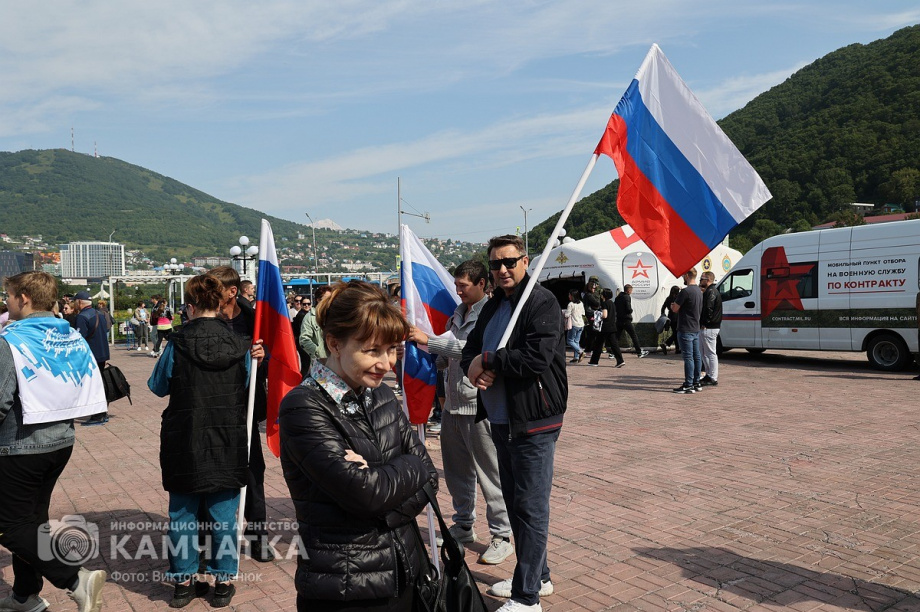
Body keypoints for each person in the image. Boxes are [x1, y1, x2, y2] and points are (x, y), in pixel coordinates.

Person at [279, 280, 438, 612]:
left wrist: (381, 479)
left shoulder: (381, 395)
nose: (387, 363)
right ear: (335, 344)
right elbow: (366, 494)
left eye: (392, 349)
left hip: (404, 571)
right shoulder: (304, 407)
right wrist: (405, 471)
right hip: (345, 586)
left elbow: (430, 476)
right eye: (372, 351)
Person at [461, 234, 567, 611]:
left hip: (534, 420)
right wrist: (474, 366)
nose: (502, 270)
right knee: (517, 503)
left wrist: (488, 361)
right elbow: (471, 350)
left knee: (531, 507)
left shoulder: (541, 301)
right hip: (501, 420)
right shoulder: (492, 307)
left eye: (509, 262)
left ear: (525, 261)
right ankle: (538, 576)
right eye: (495, 264)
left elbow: (535, 358)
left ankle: (527, 599)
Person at [148, 275, 265, 609]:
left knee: (182, 514)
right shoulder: (241, 345)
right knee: (224, 515)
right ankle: (224, 581)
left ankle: (183, 583)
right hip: (227, 437)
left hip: (184, 438)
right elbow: (247, 385)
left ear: (190, 306)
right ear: (219, 303)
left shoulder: (178, 343)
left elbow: (158, 386)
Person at [0, 271, 108, 612]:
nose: (7, 302)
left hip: (20, 445)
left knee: (10, 526)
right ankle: (24, 595)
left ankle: (75, 579)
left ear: (24, 298)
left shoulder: (11, 340)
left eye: (9, 296)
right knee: (32, 523)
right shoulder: (70, 335)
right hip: (61, 442)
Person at [408, 260, 514, 566]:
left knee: (489, 472)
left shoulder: (492, 315)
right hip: (452, 404)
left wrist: (430, 341)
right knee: (457, 472)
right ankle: (464, 524)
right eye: (456, 285)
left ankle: (502, 534)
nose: (458, 291)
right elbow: (450, 357)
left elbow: (473, 351)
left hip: (478, 404)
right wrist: (424, 355)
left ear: (482, 284)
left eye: (463, 286)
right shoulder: (457, 314)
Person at [205, 266, 273, 562]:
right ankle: (208, 541)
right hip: (211, 409)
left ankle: (257, 537)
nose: (208, 295)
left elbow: (272, 355)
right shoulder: (203, 317)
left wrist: (262, 356)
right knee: (211, 476)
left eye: (214, 289)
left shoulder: (253, 320)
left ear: (232, 292)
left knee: (253, 475)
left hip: (245, 409)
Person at [74, 291, 110, 426]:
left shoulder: (82, 317)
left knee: (93, 384)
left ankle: (98, 414)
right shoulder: (99, 314)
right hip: (102, 353)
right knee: (99, 382)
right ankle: (102, 412)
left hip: (91, 355)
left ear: (79, 302)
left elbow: (79, 338)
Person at [671, 268, 703, 394]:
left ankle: (688, 384)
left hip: (685, 327)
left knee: (688, 357)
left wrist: (673, 305)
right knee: (696, 356)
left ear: (687, 276)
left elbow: (675, 309)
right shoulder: (699, 291)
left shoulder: (685, 291)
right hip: (695, 327)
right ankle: (696, 382)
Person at [588, 288, 624, 368]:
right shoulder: (612, 303)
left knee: (598, 344)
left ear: (603, 295)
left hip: (605, 327)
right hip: (612, 326)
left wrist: (597, 314)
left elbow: (604, 315)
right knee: (614, 344)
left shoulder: (604, 304)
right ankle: (620, 360)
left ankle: (594, 361)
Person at [298, 285, 333, 368]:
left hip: (337, 361)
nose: (330, 301)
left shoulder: (335, 315)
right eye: (327, 298)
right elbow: (304, 340)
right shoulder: (310, 317)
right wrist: (318, 352)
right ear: (318, 300)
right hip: (321, 364)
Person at [699, 271, 722, 387]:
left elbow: (708, 309)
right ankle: (709, 374)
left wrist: (705, 322)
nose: (700, 281)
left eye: (701, 279)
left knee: (710, 353)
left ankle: (712, 376)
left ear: (707, 280)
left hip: (710, 327)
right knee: (705, 353)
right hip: (710, 326)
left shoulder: (711, 292)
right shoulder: (711, 291)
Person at [614, 285, 649, 358]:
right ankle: (639, 352)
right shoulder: (627, 297)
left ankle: (613, 353)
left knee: (616, 337)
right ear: (629, 291)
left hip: (619, 319)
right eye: (631, 291)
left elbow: (615, 307)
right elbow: (628, 308)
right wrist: (630, 310)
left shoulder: (617, 298)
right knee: (633, 336)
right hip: (626, 319)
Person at [578, 277, 601, 362]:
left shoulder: (585, 294)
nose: (595, 288)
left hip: (587, 314)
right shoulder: (589, 295)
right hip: (590, 314)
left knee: (588, 332)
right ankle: (587, 350)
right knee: (592, 333)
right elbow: (597, 303)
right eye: (594, 287)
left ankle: (585, 348)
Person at [291, 295, 311, 377]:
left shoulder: (306, 314)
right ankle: (303, 380)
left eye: (308, 304)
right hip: (304, 342)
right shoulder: (302, 315)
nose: (306, 305)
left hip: (303, 342)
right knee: (306, 364)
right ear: (301, 305)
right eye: (304, 304)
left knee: (306, 364)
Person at [564, 289, 586, 363]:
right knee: (576, 341)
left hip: (574, 324)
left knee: (569, 341)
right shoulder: (581, 303)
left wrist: (563, 312)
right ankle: (576, 357)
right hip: (581, 324)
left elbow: (567, 315)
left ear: (572, 296)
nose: (568, 296)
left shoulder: (570, 304)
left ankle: (580, 351)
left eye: (569, 295)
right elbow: (583, 313)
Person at [660, 286, 681, 354]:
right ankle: (666, 343)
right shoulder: (677, 298)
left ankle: (677, 349)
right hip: (677, 317)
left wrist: (663, 315)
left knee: (675, 332)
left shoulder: (668, 298)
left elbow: (663, 308)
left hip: (670, 317)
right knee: (676, 333)